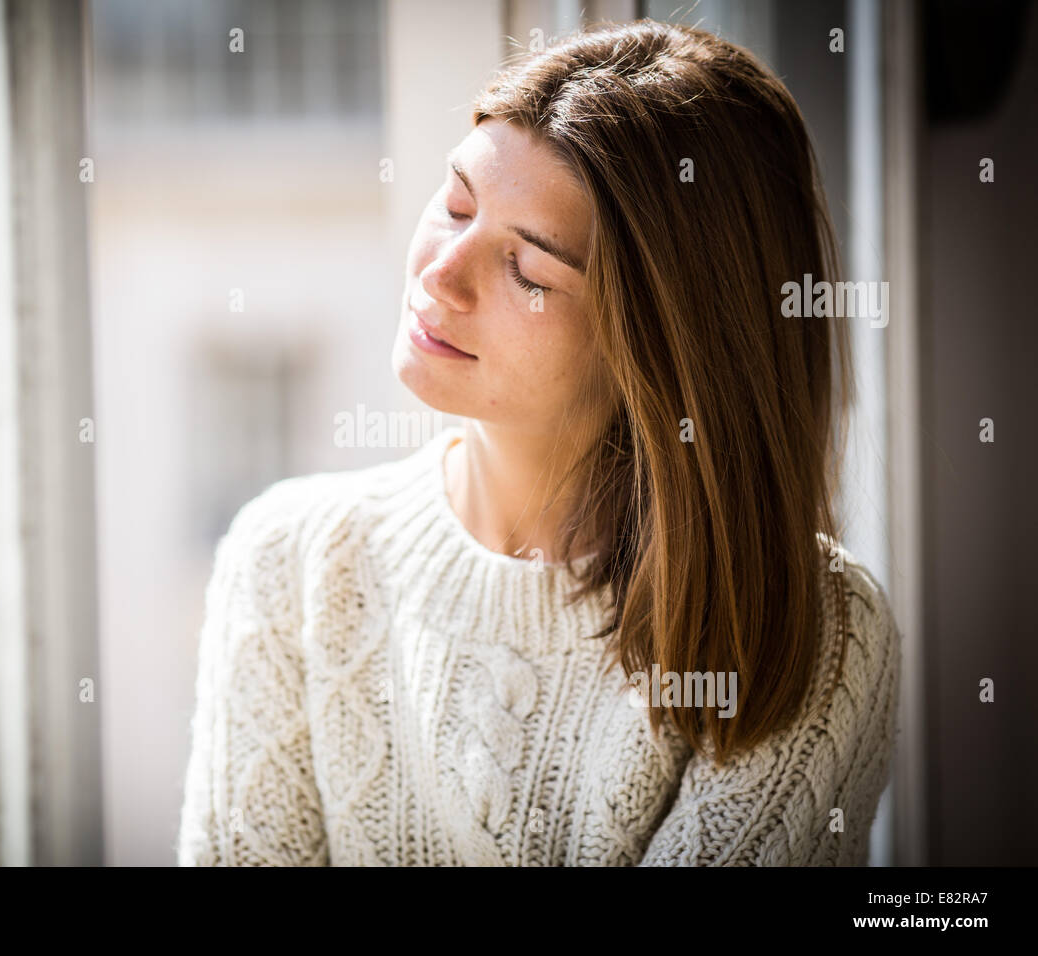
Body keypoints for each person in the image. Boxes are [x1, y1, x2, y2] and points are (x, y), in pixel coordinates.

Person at [177, 19, 899, 866]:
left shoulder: (813, 630)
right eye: (455, 205)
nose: (440, 272)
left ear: (665, 348)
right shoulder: (289, 560)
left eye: (530, 272)